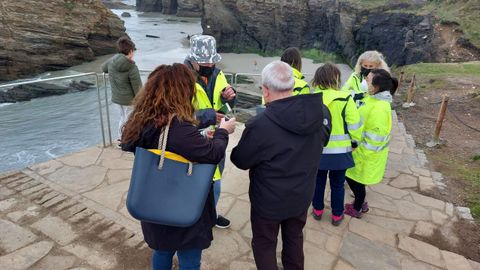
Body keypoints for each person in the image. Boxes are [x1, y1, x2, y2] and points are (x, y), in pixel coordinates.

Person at [121, 64, 237, 270]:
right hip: (184, 203)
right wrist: (223, 132)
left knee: (161, 250)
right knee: (190, 258)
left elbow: (162, 143)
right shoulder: (179, 129)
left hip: (153, 203)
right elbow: (213, 154)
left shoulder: (141, 121)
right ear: (182, 92)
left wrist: (199, 135)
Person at [231, 61, 331, 270]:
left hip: (268, 201)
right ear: (292, 86)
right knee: (294, 238)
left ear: (265, 91)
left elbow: (240, 160)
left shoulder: (260, 125)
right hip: (301, 195)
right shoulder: (320, 113)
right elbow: (324, 140)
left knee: (265, 244)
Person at [184, 34, 236, 229]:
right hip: (194, 141)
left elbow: (226, 104)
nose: (210, 64)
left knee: (215, 180)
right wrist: (209, 116)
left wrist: (229, 97)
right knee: (201, 183)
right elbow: (178, 116)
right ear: (193, 60)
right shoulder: (182, 80)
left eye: (212, 60)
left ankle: (209, 216)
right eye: (205, 60)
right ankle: (196, 218)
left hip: (217, 139)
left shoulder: (218, 74)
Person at [311, 63, 362, 226]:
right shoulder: (346, 98)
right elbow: (354, 125)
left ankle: (317, 210)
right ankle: (337, 215)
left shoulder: (312, 98)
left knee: (317, 182)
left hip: (317, 151)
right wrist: (355, 143)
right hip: (341, 153)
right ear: (337, 79)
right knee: (338, 185)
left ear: (317, 79)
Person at [344, 69, 398, 218]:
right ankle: (360, 203)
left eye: (367, 80)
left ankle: (358, 207)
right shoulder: (373, 99)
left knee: (355, 180)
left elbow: (374, 139)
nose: (364, 82)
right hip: (360, 151)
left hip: (365, 155)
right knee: (353, 179)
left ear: (376, 86)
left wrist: (359, 153)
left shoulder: (380, 108)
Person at [102, 36, 142, 141]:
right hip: (129, 100)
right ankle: (125, 140)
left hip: (116, 98)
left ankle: (121, 138)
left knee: (123, 118)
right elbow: (138, 88)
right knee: (129, 120)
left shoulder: (112, 61)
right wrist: (142, 101)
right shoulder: (131, 67)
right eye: (133, 51)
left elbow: (103, 68)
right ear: (130, 51)